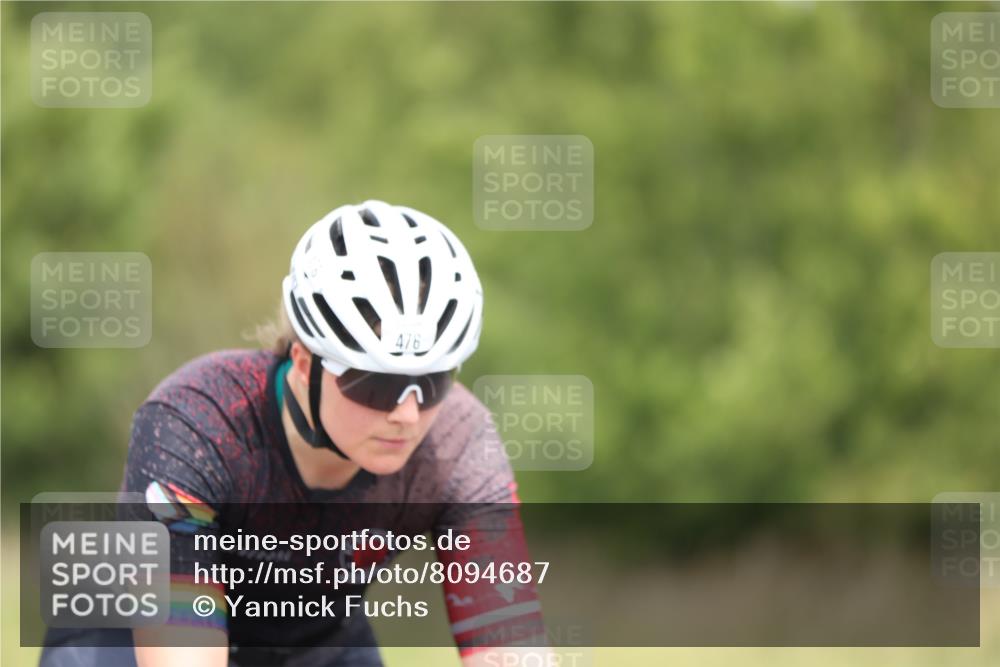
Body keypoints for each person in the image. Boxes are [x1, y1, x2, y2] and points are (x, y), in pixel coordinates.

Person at [39, 200, 548, 667]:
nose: (407, 415)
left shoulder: (458, 444)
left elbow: (510, 648)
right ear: (304, 364)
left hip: (316, 642)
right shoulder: (200, 422)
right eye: (377, 385)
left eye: (434, 382)